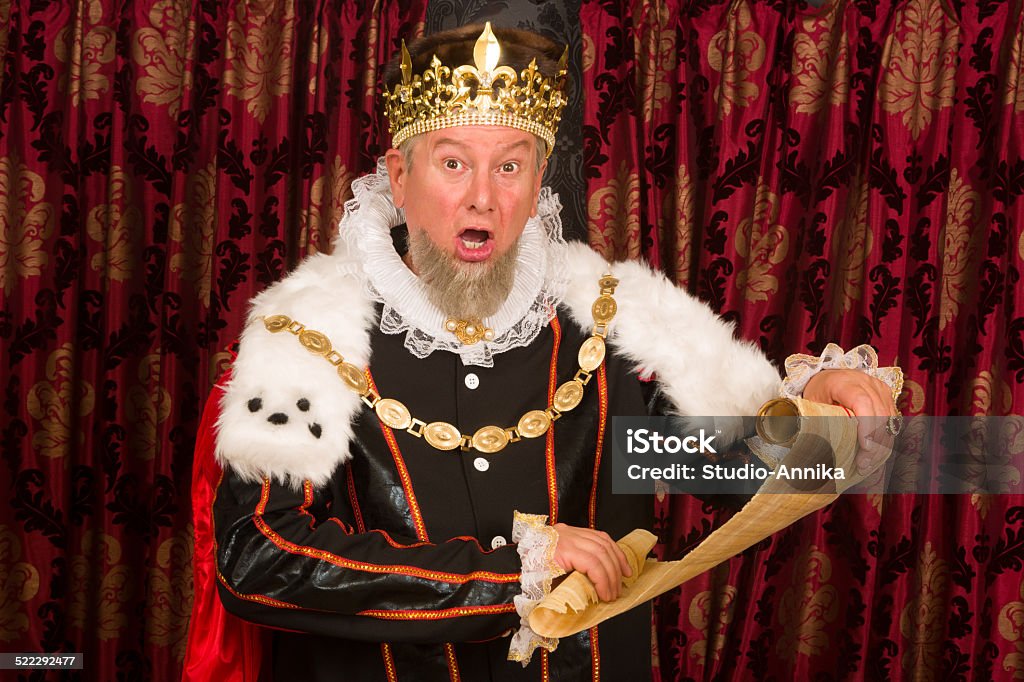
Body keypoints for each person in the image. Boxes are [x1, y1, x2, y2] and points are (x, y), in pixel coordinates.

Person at [182, 23, 901, 682]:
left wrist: (822, 416)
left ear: (538, 182)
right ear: (399, 178)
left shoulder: (611, 325)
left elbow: (729, 473)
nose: (482, 200)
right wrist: (510, 576)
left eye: (510, 166)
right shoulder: (304, 334)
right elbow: (261, 559)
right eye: (454, 163)